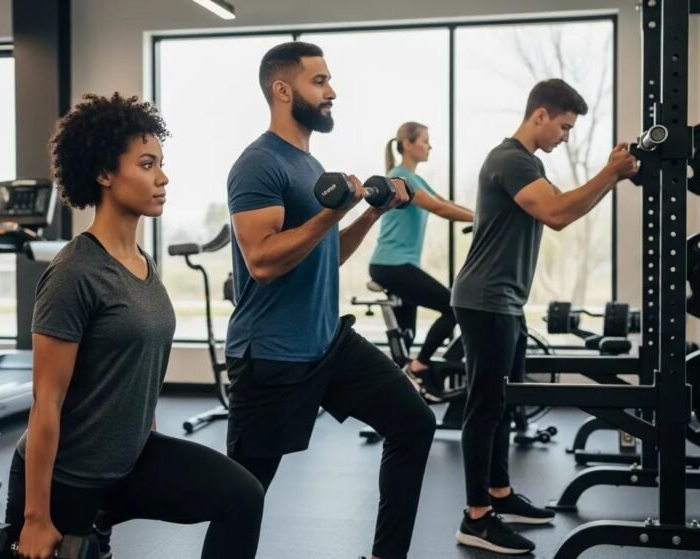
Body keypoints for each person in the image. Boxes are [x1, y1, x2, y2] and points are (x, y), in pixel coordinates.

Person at [6, 93, 264, 559]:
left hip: (129, 461)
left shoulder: (141, 261)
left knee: (242, 496)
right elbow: (47, 402)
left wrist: (142, 420)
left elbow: (131, 356)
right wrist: (36, 518)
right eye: (147, 164)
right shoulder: (74, 272)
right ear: (104, 173)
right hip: (67, 478)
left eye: (161, 164)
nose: (162, 178)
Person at [225, 41, 437, 559]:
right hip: (272, 355)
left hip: (326, 344)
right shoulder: (257, 165)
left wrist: (369, 214)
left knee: (414, 422)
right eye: (319, 81)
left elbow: (325, 254)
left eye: (329, 81)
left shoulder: (307, 162)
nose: (331, 91)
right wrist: (331, 212)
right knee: (241, 498)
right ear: (282, 90)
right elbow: (262, 261)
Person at [450, 79, 638, 555]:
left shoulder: (528, 164)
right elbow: (556, 213)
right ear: (540, 116)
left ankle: (499, 494)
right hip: (485, 300)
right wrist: (609, 173)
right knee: (485, 407)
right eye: (564, 127)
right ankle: (476, 518)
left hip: (504, 301)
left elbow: (567, 208)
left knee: (503, 404)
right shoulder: (511, 160)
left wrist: (614, 176)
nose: (566, 137)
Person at [369, 122, 474, 401]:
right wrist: (481, 219)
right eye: (425, 141)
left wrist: (482, 215)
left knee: (407, 336)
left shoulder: (413, 178)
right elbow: (438, 208)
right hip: (391, 265)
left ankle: (403, 388)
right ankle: (420, 367)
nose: (430, 146)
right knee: (454, 307)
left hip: (399, 265)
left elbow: (444, 201)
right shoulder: (399, 178)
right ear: (407, 143)